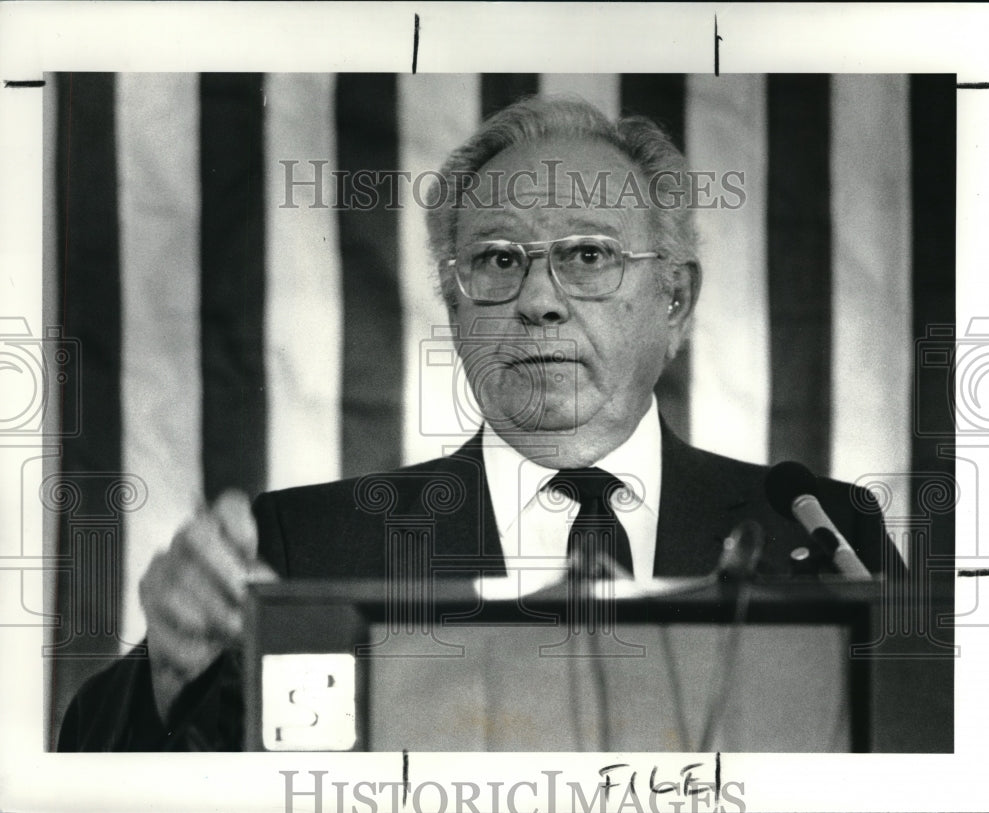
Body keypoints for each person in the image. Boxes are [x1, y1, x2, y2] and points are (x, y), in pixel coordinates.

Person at [57, 96, 900, 751]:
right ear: (456, 304)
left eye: (588, 255)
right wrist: (168, 675)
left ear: (674, 299)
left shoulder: (818, 534)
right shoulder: (302, 547)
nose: (538, 300)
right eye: (498, 261)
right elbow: (96, 770)